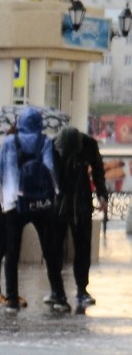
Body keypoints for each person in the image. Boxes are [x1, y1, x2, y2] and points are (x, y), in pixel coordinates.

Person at [0, 107, 67, 312]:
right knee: (49, 250)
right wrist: (53, 196)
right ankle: (59, 295)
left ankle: (12, 298)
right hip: (41, 203)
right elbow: (50, 169)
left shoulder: (8, 142)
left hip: (15, 203)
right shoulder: (45, 142)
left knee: (12, 252)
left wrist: (4, 201)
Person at [54, 123, 110, 310]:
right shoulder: (54, 146)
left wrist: (101, 194)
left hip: (81, 200)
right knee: (55, 248)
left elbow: (98, 170)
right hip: (60, 201)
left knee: (82, 247)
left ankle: (81, 289)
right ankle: (57, 290)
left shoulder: (89, 145)